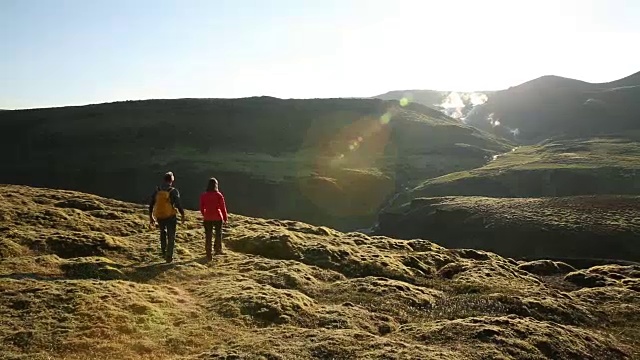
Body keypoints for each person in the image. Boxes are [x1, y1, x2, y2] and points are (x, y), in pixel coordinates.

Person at [149, 171, 186, 263]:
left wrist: (151, 217)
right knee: (171, 236)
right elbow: (177, 204)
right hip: (170, 216)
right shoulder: (173, 191)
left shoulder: (157, 191)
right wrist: (182, 214)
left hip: (159, 215)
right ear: (172, 180)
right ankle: (169, 256)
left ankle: (163, 252)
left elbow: (151, 204)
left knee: (162, 232)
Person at [199, 177, 228, 260]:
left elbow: (201, 207)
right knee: (218, 234)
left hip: (207, 218)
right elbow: (223, 208)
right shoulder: (219, 195)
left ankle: (208, 252)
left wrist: (205, 214)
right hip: (217, 217)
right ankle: (217, 249)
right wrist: (225, 218)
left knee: (208, 235)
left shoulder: (203, 195)